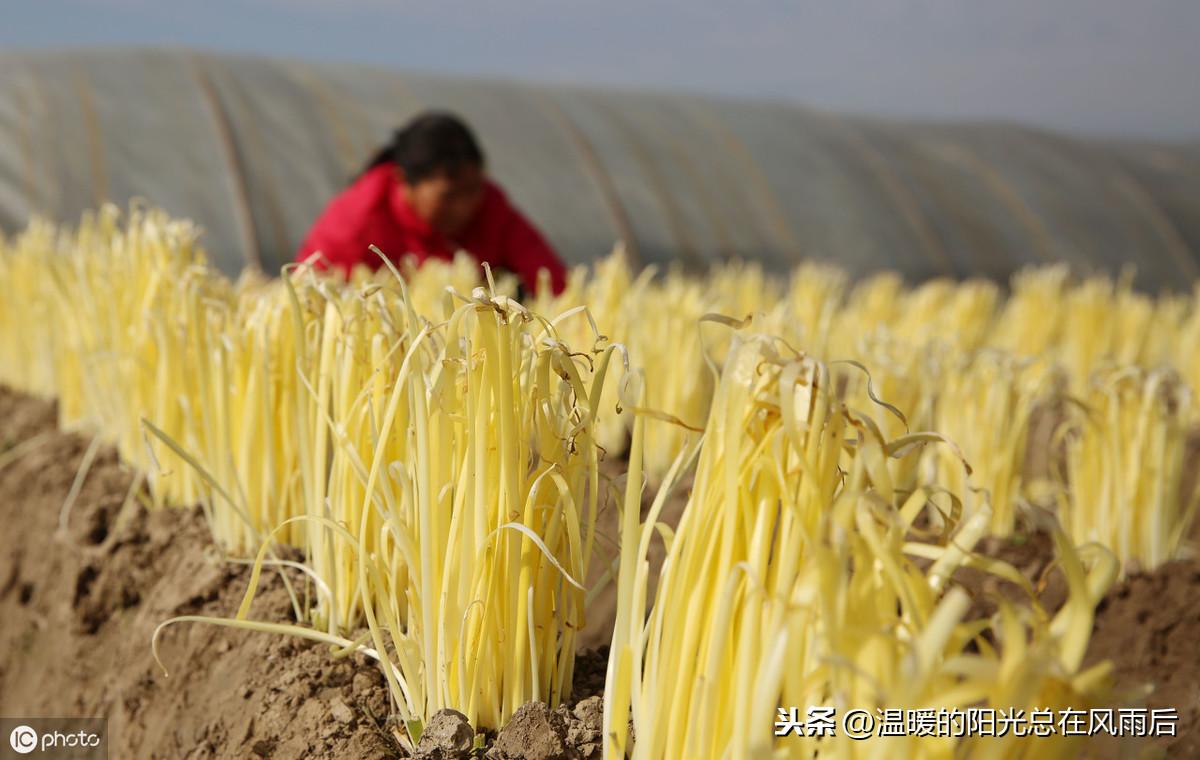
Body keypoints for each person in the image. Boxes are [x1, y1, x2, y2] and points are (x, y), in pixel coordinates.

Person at [296, 111, 567, 296]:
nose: (464, 207)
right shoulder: (357, 219)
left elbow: (552, 283)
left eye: (472, 191)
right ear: (404, 181)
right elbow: (307, 292)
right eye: (448, 197)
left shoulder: (492, 207)